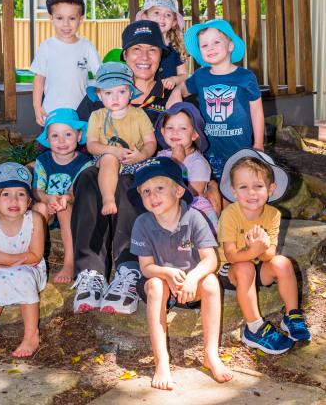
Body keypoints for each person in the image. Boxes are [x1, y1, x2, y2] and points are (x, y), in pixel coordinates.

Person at [72, 20, 173, 316]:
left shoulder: (170, 92)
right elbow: (77, 138)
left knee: (135, 185)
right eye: (136, 49)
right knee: (88, 179)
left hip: (148, 169)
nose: (144, 56)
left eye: (152, 49)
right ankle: (90, 273)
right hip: (105, 164)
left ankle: (129, 271)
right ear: (125, 56)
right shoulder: (98, 98)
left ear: (161, 55)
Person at [128, 157, 233, 389]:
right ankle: (161, 361)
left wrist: (193, 277)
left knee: (212, 283)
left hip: (191, 287)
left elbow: (211, 260)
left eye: (159, 188)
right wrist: (165, 272)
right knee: (155, 285)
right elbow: (146, 267)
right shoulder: (142, 223)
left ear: (177, 190)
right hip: (163, 286)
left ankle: (210, 354)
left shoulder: (195, 217)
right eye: (146, 191)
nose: (152, 196)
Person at [217, 149, 311, 354]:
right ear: (234, 191)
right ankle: (254, 328)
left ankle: (292, 316)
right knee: (244, 267)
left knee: (282, 263)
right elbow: (231, 256)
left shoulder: (273, 214)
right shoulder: (229, 214)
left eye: (258, 186)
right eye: (244, 187)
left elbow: (270, 255)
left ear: (271, 189)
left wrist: (264, 248)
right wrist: (255, 250)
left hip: (258, 267)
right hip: (231, 271)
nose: (251, 193)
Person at [167, 19, 265, 182]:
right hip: (209, 149)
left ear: (230, 46)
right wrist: (176, 92)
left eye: (216, 42)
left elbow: (256, 110)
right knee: (213, 186)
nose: (210, 48)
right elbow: (183, 89)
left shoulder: (246, 77)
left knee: (238, 185)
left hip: (239, 148)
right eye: (204, 45)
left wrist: (259, 143)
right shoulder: (200, 75)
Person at [0, 162, 46, 357]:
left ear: (29, 201)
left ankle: (31, 334)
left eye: (21, 194)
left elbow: (35, 256)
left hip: (29, 268)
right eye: (6, 194)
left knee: (22, 276)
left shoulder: (34, 219)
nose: (14, 200)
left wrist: (3, 258)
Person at [86, 62, 156, 216]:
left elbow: (150, 142)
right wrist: (112, 150)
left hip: (135, 160)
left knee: (154, 170)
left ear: (130, 93)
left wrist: (142, 154)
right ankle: (108, 198)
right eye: (108, 93)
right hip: (105, 160)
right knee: (110, 159)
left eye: (121, 92)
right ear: (99, 95)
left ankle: (152, 209)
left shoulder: (139, 115)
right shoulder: (97, 116)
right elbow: (91, 145)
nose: (115, 98)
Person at [32, 108, 90, 284]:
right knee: (39, 208)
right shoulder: (43, 161)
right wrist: (48, 199)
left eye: (68, 134)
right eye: (55, 136)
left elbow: (75, 192)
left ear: (79, 136)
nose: (62, 141)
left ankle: (69, 263)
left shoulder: (84, 163)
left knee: (64, 209)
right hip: (48, 208)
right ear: (48, 139)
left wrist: (65, 199)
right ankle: (34, 260)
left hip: (71, 210)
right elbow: (37, 190)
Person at [31, 0, 101, 126]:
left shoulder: (87, 47)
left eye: (72, 18)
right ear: (51, 18)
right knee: (55, 146)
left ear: (81, 19)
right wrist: (37, 107)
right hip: (52, 112)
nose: (66, 24)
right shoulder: (46, 47)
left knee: (80, 146)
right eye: (59, 18)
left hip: (81, 112)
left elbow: (101, 76)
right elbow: (39, 80)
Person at [155, 101, 219, 231]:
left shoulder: (198, 162)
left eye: (183, 128)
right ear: (162, 131)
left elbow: (191, 195)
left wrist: (177, 163)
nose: (175, 132)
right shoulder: (161, 155)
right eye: (169, 128)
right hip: (166, 208)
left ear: (195, 134)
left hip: (192, 213)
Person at [136, 0, 188, 89]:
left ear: (173, 22)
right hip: (145, 94)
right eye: (156, 12)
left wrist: (174, 79)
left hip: (170, 95)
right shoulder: (139, 46)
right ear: (145, 17)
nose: (162, 17)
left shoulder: (176, 47)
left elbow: (184, 75)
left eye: (168, 14)